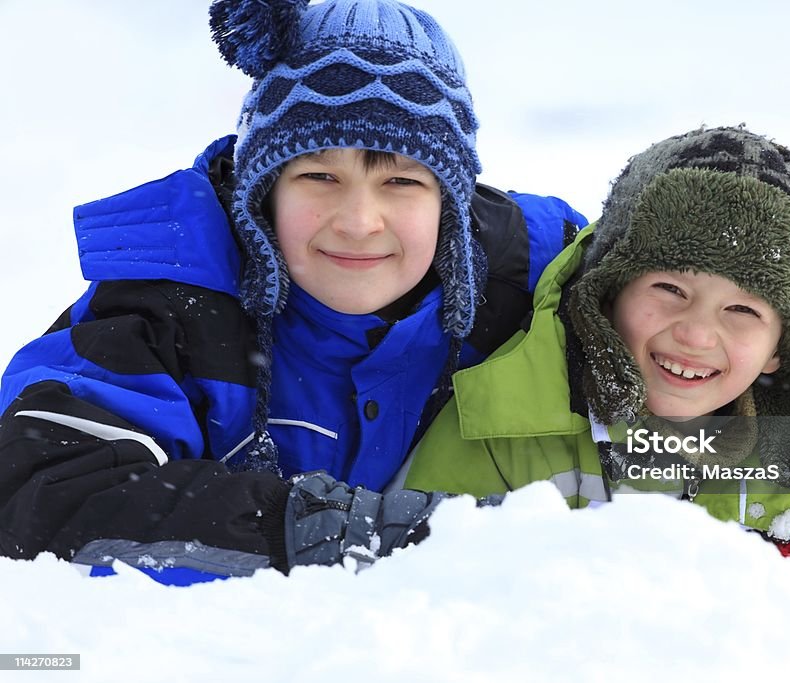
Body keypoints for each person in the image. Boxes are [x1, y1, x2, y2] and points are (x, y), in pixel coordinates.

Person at [0, 0, 586, 583]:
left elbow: (667, 302)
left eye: (402, 181)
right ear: (264, 193)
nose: (359, 221)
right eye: (320, 176)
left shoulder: (535, 282)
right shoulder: (172, 299)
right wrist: (309, 529)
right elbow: (43, 491)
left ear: (450, 204)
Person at [400, 126, 790, 588]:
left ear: (782, 349)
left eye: (741, 309)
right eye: (670, 288)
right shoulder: (502, 425)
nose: (695, 334)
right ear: (606, 293)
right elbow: (423, 582)